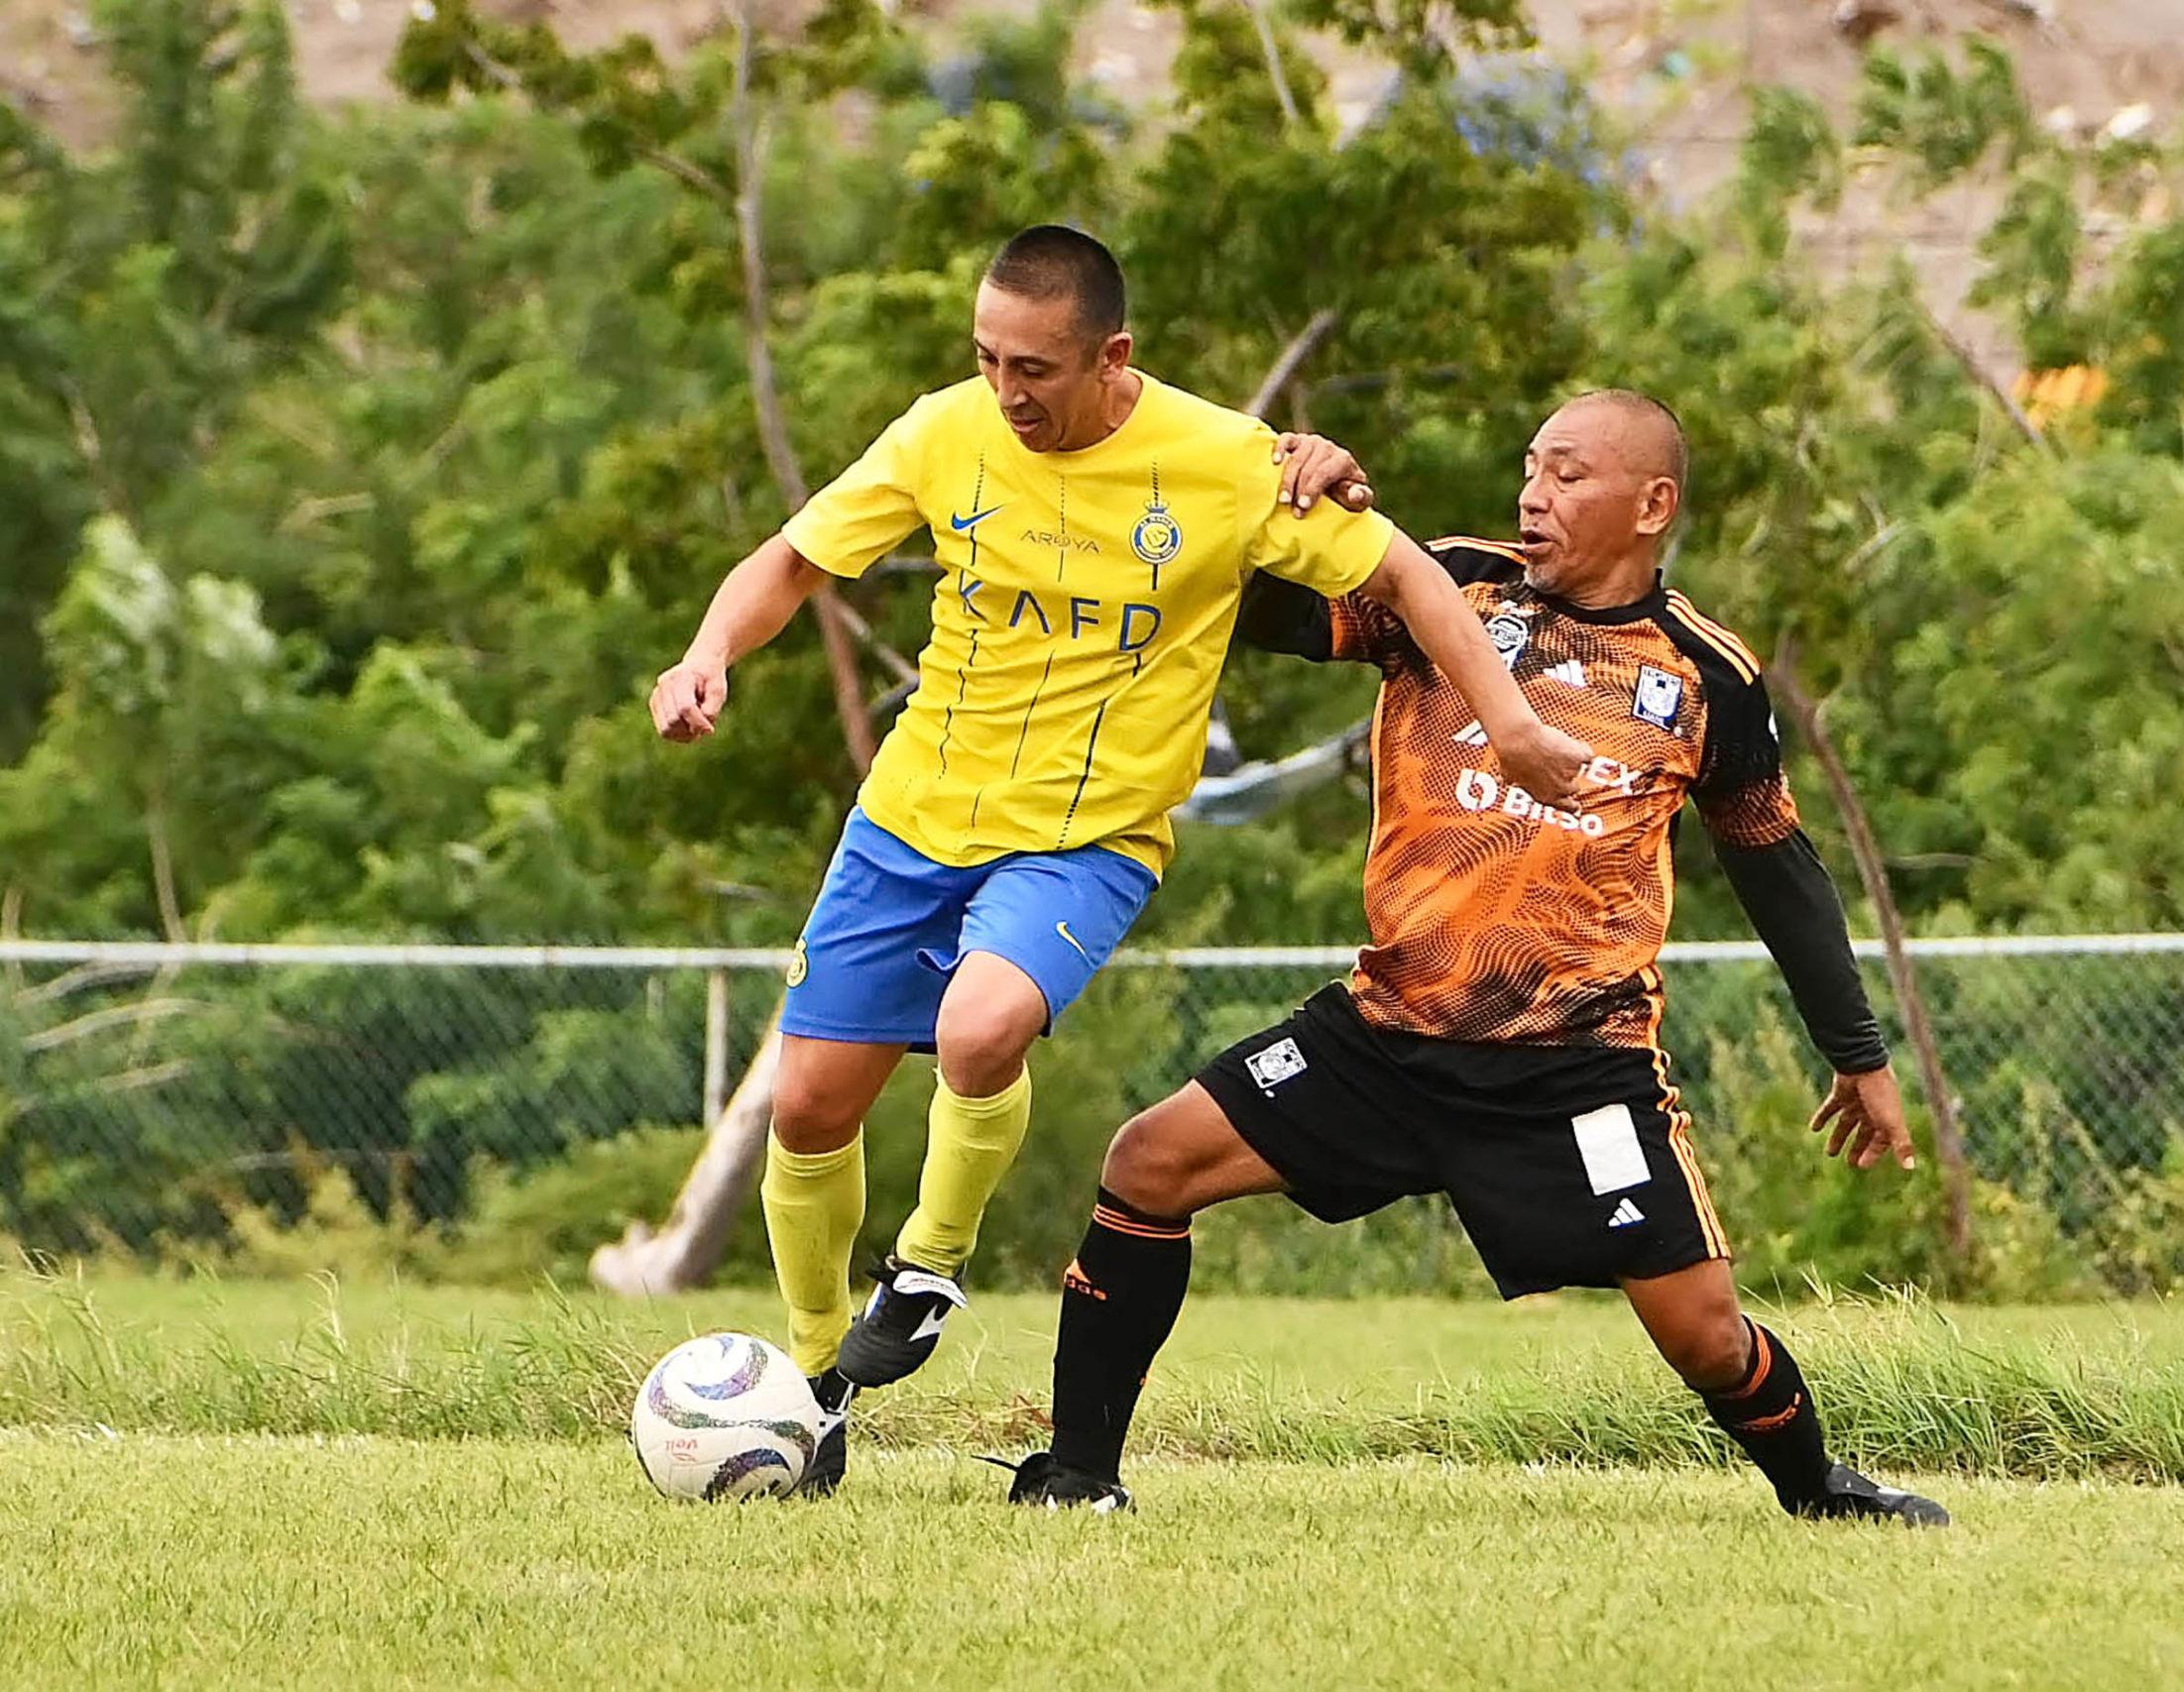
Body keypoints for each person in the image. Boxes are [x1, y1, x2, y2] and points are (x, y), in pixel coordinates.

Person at [647, 225, 1592, 1490]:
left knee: (982, 1029)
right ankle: (818, 1389)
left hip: (1085, 838)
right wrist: (711, 651)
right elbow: (793, 560)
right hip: (910, 818)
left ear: (1113, 355)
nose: (1007, 392)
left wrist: (1514, 724)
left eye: (1032, 366)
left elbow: (1415, 581)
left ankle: (927, 1266)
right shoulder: (945, 431)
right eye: (986, 359)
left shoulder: (1223, 464)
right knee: (813, 1106)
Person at [1000, 388, 1948, 1526]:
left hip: (1573, 1067)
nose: (1530, 495)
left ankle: (1819, 1491)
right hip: (1386, 1035)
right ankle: (1077, 1474)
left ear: (1652, 504)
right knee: (1147, 1163)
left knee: (1700, 1329)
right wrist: (1264, 489)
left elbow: (1775, 867)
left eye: (1565, 475)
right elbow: (1256, 607)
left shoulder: (1706, 675)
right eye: (1529, 467)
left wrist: (1858, 1052)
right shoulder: (1446, 583)